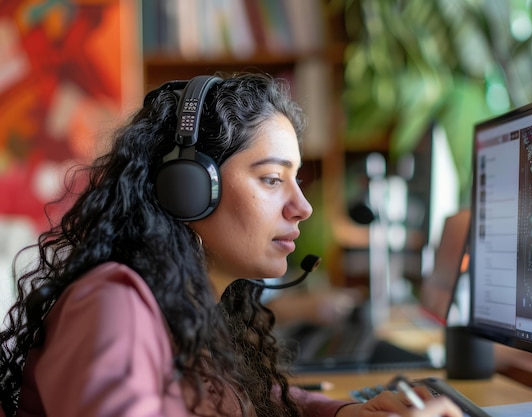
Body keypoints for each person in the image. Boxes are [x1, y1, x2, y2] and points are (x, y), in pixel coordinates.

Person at [0, 72, 462, 417]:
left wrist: (346, 413)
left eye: (296, 180)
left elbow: (244, 399)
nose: (302, 206)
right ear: (190, 189)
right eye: (271, 179)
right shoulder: (115, 302)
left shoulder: (192, 305)